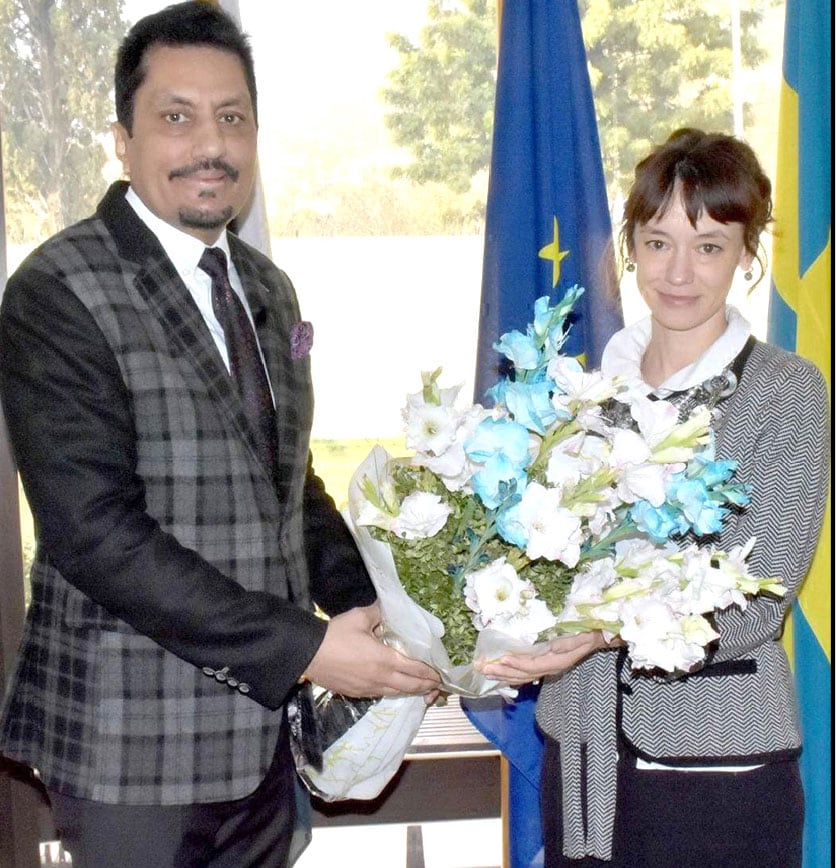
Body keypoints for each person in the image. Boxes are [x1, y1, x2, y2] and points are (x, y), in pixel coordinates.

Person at [0, 4, 440, 866]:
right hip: (132, 751)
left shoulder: (266, 288)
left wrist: (378, 607)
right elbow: (96, 535)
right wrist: (308, 649)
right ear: (122, 141)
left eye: (232, 117)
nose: (212, 144)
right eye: (177, 116)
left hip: (263, 751)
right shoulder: (58, 289)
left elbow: (288, 484)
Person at [480, 129, 829, 867]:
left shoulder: (786, 391)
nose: (678, 272)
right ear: (631, 244)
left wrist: (602, 632)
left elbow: (757, 603)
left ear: (746, 253)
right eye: (659, 241)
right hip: (581, 752)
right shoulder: (580, 393)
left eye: (709, 246)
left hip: (719, 769)